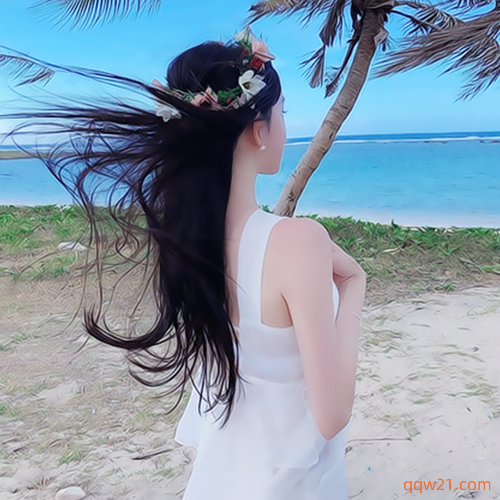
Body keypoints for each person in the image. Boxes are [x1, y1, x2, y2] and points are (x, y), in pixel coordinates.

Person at [4, 24, 366, 500]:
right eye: (282, 112)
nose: (284, 125)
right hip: (292, 483)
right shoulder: (297, 241)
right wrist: (354, 284)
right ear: (259, 131)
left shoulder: (187, 238)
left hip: (221, 476)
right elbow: (332, 414)